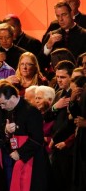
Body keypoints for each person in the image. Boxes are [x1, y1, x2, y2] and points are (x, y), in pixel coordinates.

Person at [0, 83, 49, 191]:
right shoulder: (8, 110)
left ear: (13, 97)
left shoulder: (31, 111)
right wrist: (6, 130)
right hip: (16, 156)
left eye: (3, 103)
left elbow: (37, 139)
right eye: (0, 104)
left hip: (32, 159)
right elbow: (0, 129)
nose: (2, 107)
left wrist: (20, 153)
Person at [49, 60, 75, 191]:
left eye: (63, 77)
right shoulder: (59, 93)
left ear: (72, 77)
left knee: (66, 182)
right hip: (56, 145)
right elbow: (47, 116)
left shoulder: (75, 95)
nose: (59, 80)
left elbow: (70, 123)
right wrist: (55, 106)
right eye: (57, 77)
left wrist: (57, 138)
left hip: (67, 145)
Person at [41, 2, 86, 71]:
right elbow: (41, 64)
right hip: (55, 78)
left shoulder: (84, 34)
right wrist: (48, 46)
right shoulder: (51, 35)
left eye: (64, 15)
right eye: (58, 16)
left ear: (71, 14)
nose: (61, 19)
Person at [34, 85, 56, 155]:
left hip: (50, 152)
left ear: (50, 100)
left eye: (39, 98)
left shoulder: (55, 116)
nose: (37, 101)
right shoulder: (35, 115)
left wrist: (46, 139)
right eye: (36, 98)